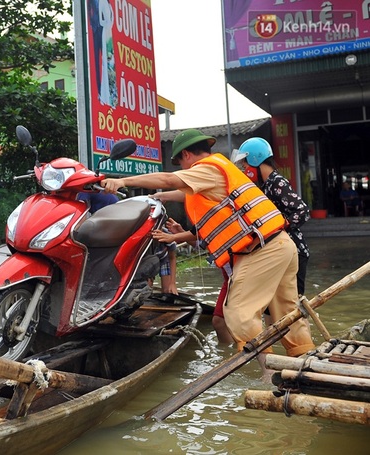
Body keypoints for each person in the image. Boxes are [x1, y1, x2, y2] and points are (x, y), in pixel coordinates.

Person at [102, 128, 315, 379]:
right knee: (285, 311)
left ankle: (269, 377)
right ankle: (305, 363)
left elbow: (171, 180)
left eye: (180, 162)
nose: (182, 168)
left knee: (237, 313)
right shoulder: (219, 171)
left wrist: (123, 181)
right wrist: (157, 196)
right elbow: (180, 191)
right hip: (281, 245)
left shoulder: (207, 167)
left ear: (187, 155)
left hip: (261, 250)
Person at [233, 137, 311, 296]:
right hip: (280, 252)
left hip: (294, 250)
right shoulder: (265, 185)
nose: (244, 168)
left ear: (256, 159)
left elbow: (302, 211)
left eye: (245, 164)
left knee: (293, 303)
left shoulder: (276, 182)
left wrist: (280, 227)